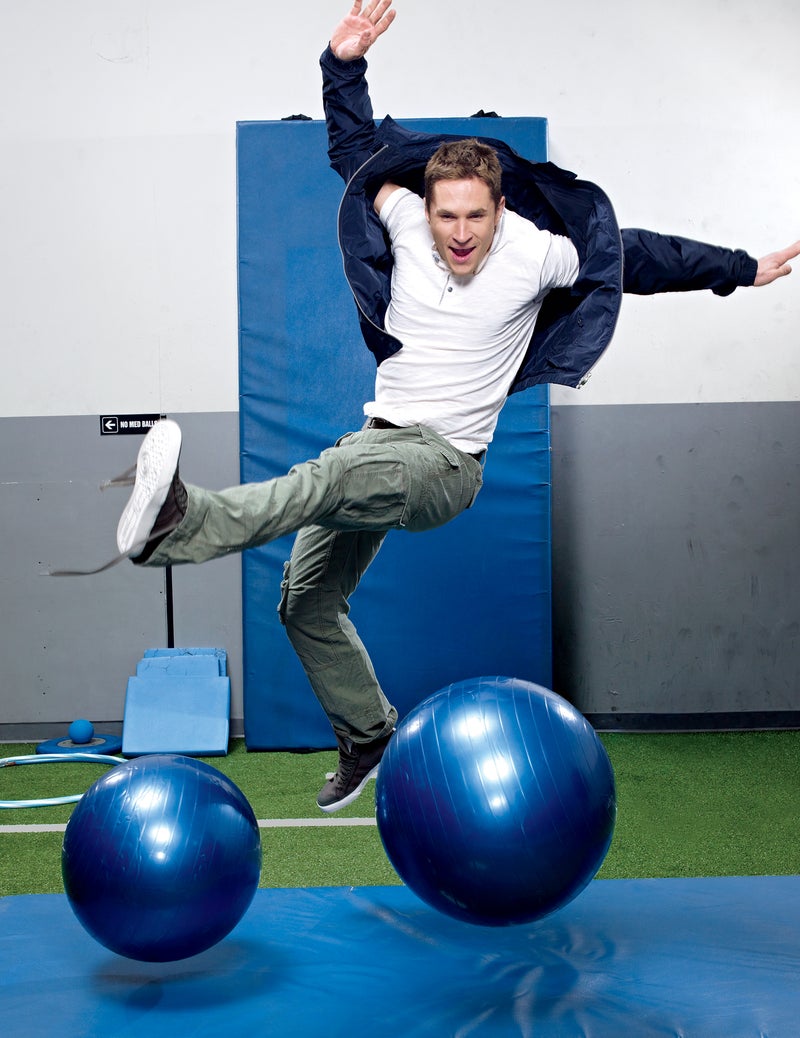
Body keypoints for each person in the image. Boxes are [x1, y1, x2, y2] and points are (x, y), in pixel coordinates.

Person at [102, 0, 799, 813]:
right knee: (305, 599)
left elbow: (633, 255)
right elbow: (356, 150)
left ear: (500, 209)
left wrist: (740, 266)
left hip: (440, 468)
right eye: (447, 216)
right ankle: (367, 734)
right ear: (426, 209)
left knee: (331, 475)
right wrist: (342, 65)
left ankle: (181, 524)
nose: (460, 234)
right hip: (382, 445)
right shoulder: (403, 218)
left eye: (476, 216)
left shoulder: (536, 253)